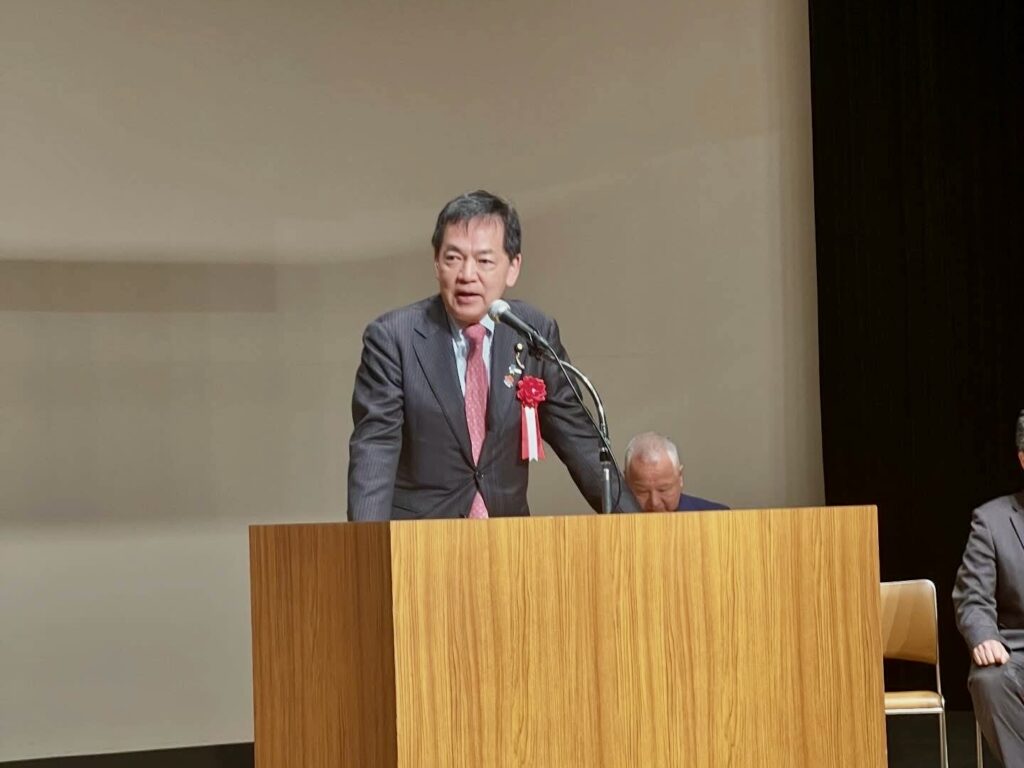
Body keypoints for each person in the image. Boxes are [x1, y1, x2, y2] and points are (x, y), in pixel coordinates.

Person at [347, 189, 637, 521]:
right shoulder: (394, 338)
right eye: (453, 258)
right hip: (422, 540)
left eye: (484, 261)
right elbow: (375, 452)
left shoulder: (533, 332)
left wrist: (639, 531)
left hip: (506, 539)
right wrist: (365, 545)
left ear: (513, 267)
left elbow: (581, 442)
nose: (467, 275)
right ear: (436, 263)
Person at [953, 409, 1024, 765]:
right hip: (1017, 652)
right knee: (989, 681)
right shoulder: (992, 520)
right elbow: (973, 597)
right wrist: (984, 637)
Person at [623, 432, 728, 512]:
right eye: (642, 491)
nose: (654, 503)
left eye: (663, 490)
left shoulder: (719, 518)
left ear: (680, 478)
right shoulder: (613, 523)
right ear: (626, 483)